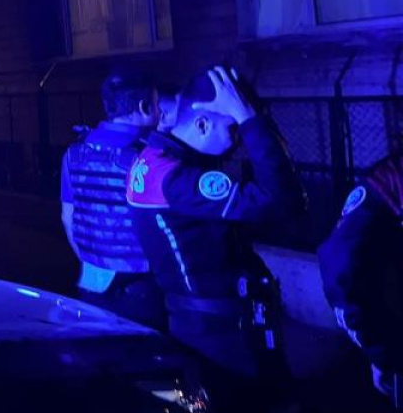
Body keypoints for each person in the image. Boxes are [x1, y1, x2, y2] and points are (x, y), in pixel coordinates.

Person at [126, 66, 304, 404]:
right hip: (223, 333)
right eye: (232, 128)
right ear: (202, 125)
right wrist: (250, 119)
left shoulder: (155, 160)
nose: (237, 140)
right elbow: (283, 201)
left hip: (200, 323)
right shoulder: (180, 179)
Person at [60, 70, 165, 330]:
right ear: (143, 107)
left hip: (91, 281)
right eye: (157, 104)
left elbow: (68, 217)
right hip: (142, 287)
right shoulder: (149, 156)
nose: (161, 111)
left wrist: (94, 260)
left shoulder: (74, 154)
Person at [319, 154, 403, 406]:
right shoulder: (391, 179)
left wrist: (380, 352)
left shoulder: (390, 177)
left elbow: (340, 264)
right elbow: (340, 261)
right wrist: (381, 351)